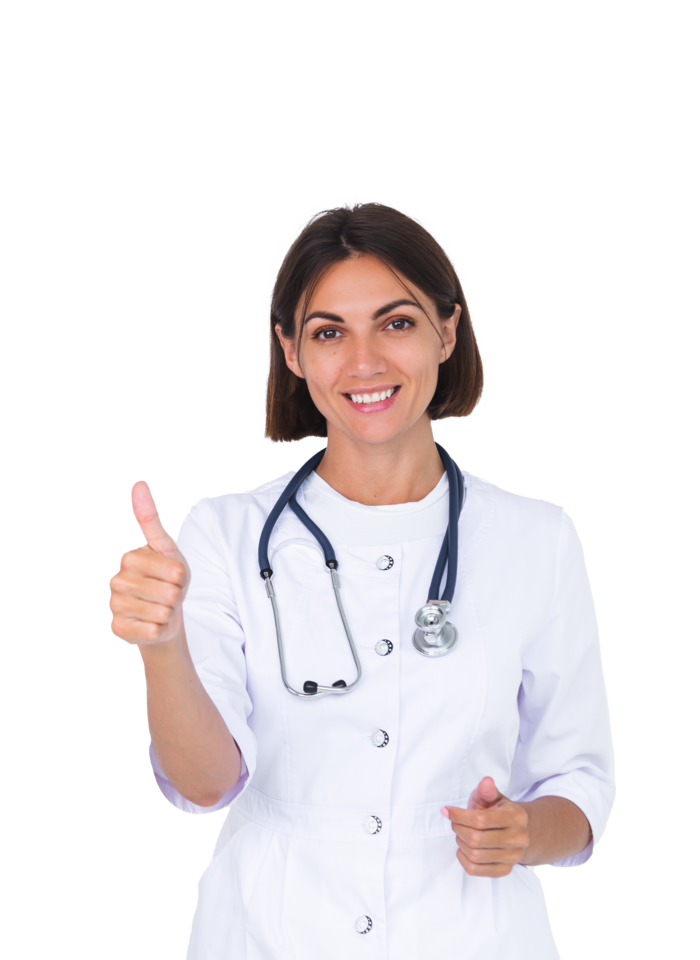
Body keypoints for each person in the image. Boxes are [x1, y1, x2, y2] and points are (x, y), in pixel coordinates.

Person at [109, 199, 615, 959]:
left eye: (396, 323)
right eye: (328, 332)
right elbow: (206, 785)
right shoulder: (225, 532)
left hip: (471, 936)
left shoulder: (535, 537)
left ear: (447, 330)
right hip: (269, 934)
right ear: (290, 350)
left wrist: (524, 832)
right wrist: (163, 644)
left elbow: (578, 780)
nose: (365, 362)